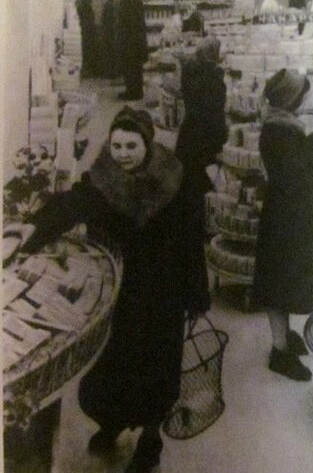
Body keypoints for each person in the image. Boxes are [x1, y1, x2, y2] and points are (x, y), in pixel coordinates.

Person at [18, 107, 210, 473]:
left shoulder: (175, 181)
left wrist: (197, 295)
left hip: (162, 294)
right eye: (117, 145)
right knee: (113, 364)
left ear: (147, 144)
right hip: (120, 292)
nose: (122, 154)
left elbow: (191, 241)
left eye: (131, 146)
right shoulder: (102, 178)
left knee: (156, 367)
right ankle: (113, 423)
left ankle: (150, 440)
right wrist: (34, 227)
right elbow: (71, 205)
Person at [252, 69, 313, 381]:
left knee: (287, 280)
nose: (306, 101)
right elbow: (297, 181)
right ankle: (279, 351)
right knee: (280, 283)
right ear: (292, 100)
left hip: (287, 215)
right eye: (302, 96)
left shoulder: (281, 126)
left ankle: (286, 336)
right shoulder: (282, 134)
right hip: (288, 221)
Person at [175, 37, 228, 230]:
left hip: (189, 134)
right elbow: (215, 111)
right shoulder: (214, 77)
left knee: (188, 180)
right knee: (203, 181)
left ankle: (186, 220)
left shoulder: (190, 70)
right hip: (206, 138)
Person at [115, 0, 148, 101]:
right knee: (135, 68)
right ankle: (133, 91)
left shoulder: (129, 2)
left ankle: (133, 93)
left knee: (131, 68)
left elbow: (128, 24)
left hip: (131, 42)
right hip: (136, 41)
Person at [77, 0, 99, 79]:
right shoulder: (85, 5)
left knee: (87, 50)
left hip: (86, 29)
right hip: (87, 30)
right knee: (87, 50)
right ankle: (87, 71)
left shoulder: (82, 4)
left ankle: (87, 70)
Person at [100, 0, 118, 78]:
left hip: (108, 32)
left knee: (108, 53)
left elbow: (103, 20)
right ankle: (114, 72)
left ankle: (109, 72)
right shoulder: (116, 5)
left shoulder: (107, 5)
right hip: (114, 32)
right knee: (114, 53)